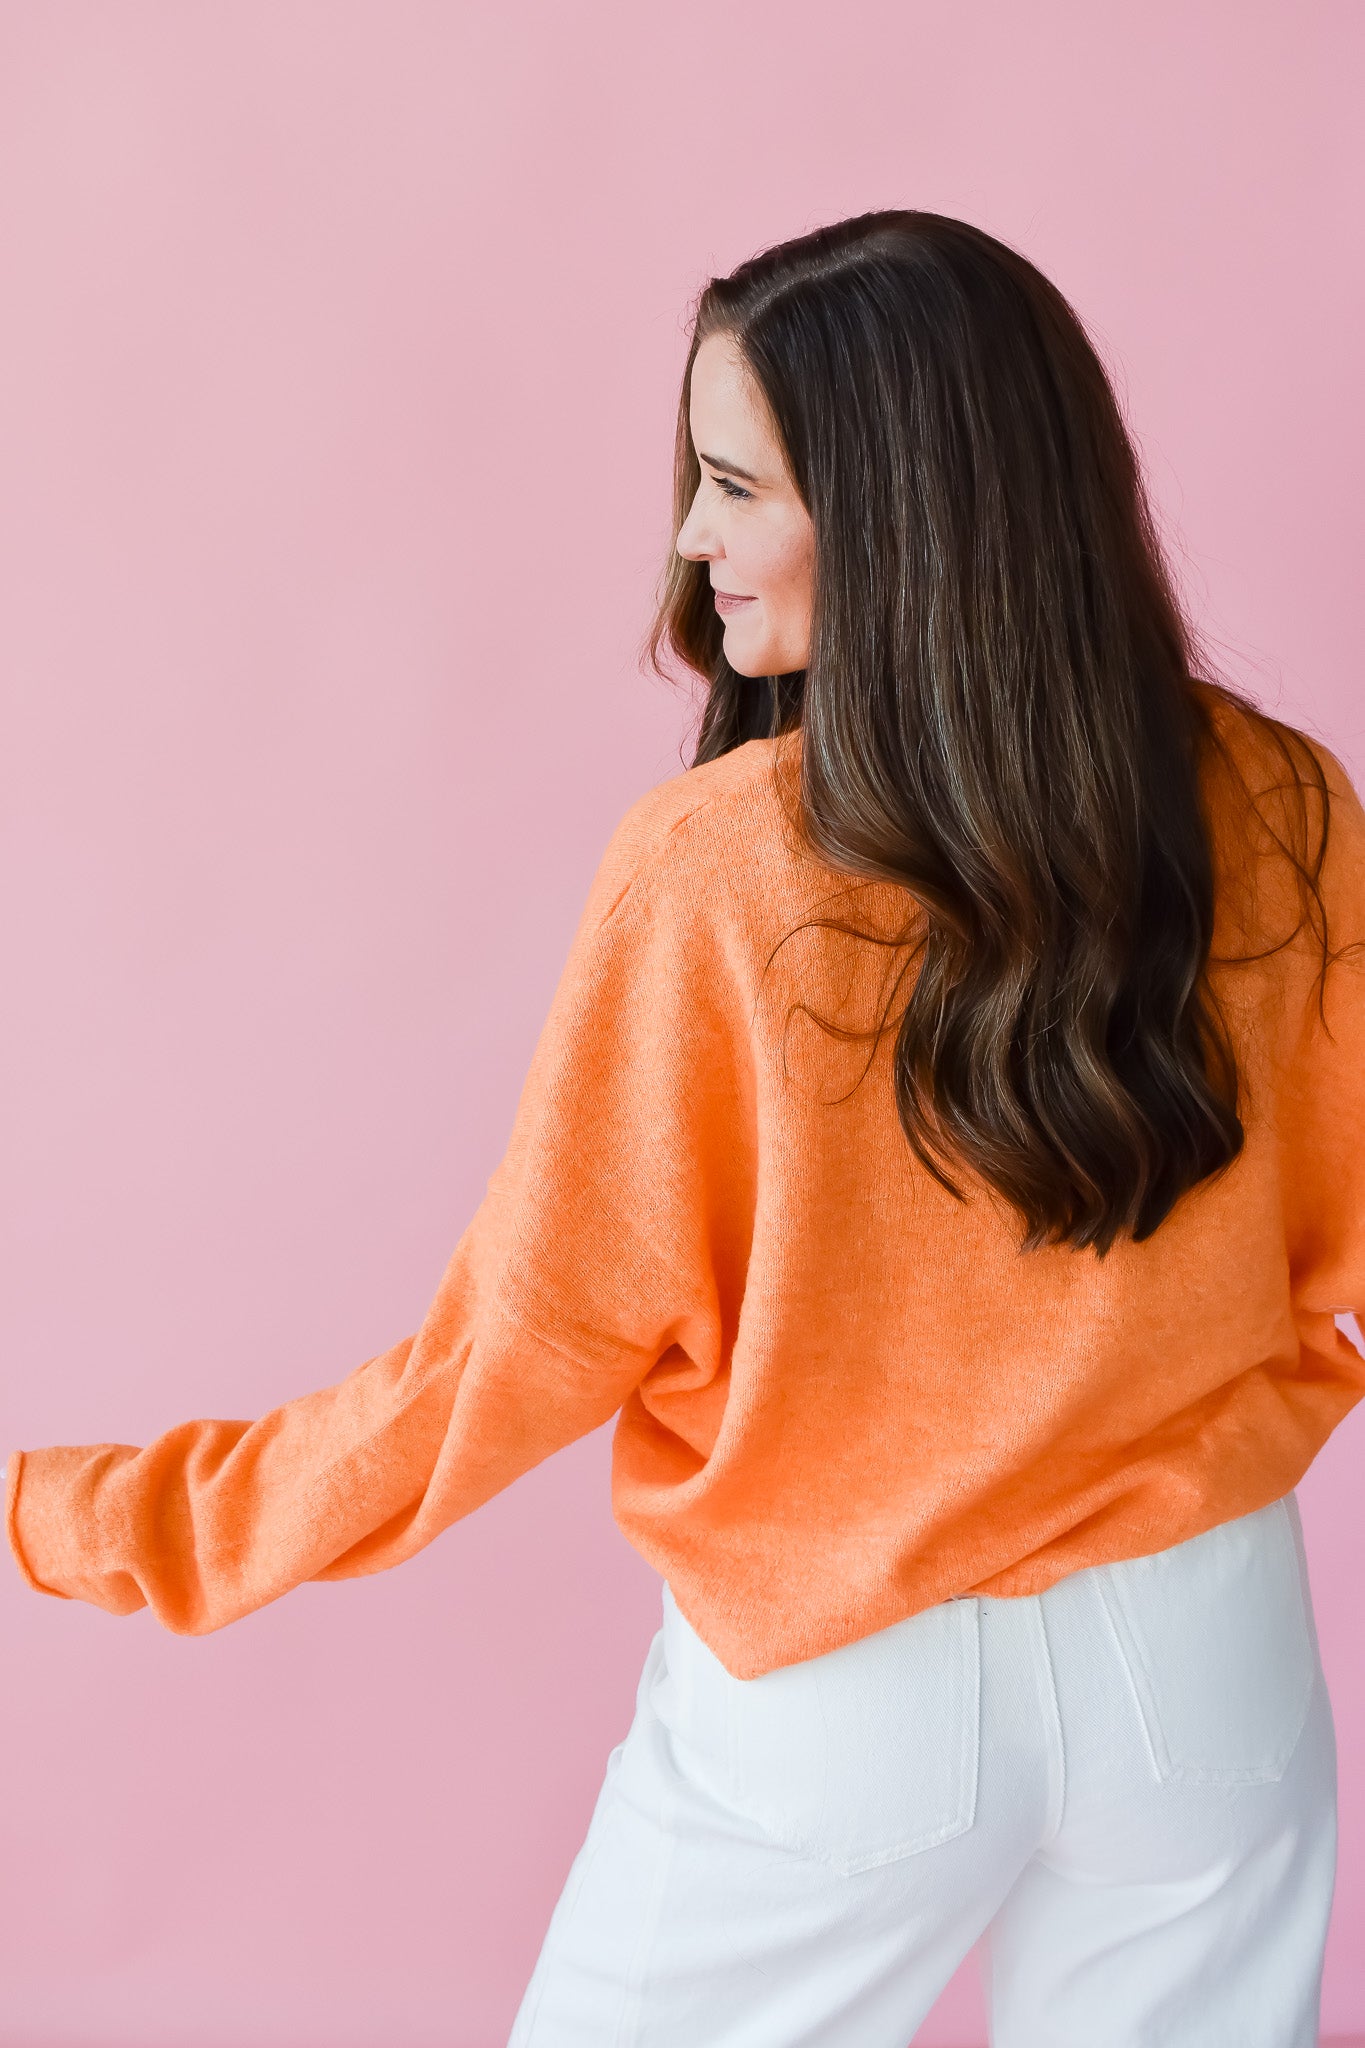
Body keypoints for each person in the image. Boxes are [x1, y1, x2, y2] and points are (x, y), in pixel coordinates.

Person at [7, 208, 1364, 2047]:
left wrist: (64, 1521)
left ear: (902, 515)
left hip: (843, 1699)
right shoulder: (1273, 800)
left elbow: (497, 1368)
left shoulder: (715, 874)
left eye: (734, 486)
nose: (689, 541)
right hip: (1208, 1669)